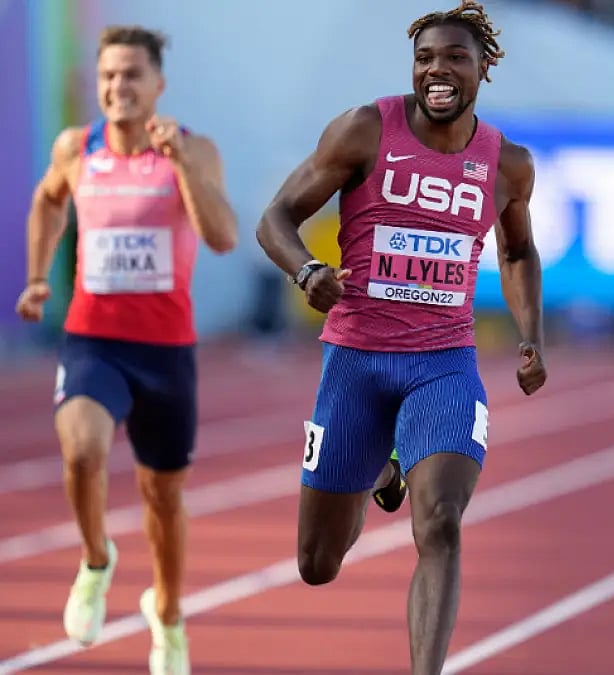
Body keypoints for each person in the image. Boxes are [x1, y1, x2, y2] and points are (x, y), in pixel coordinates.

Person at [255, 2, 546, 673]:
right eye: (425, 59)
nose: (436, 70)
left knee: (440, 519)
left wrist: (531, 336)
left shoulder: (508, 164)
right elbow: (275, 215)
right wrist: (304, 268)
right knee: (317, 562)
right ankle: (379, 467)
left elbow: (519, 250)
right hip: (355, 360)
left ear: (484, 70)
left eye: (454, 58)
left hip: (444, 364)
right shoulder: (365, 129)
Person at [14, 25, 237, 675]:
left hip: (166, 353)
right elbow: (47, 203)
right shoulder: (75, 148)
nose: (118, 87)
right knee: (81, 447)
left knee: (162, 499)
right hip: (93, 340)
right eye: (109, 75)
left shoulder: (195, 150)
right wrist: (36, 276)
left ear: (158, 84)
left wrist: (185, 168)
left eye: (132, 75)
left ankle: (166, 616)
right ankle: (95, 559)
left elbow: (221, 236)